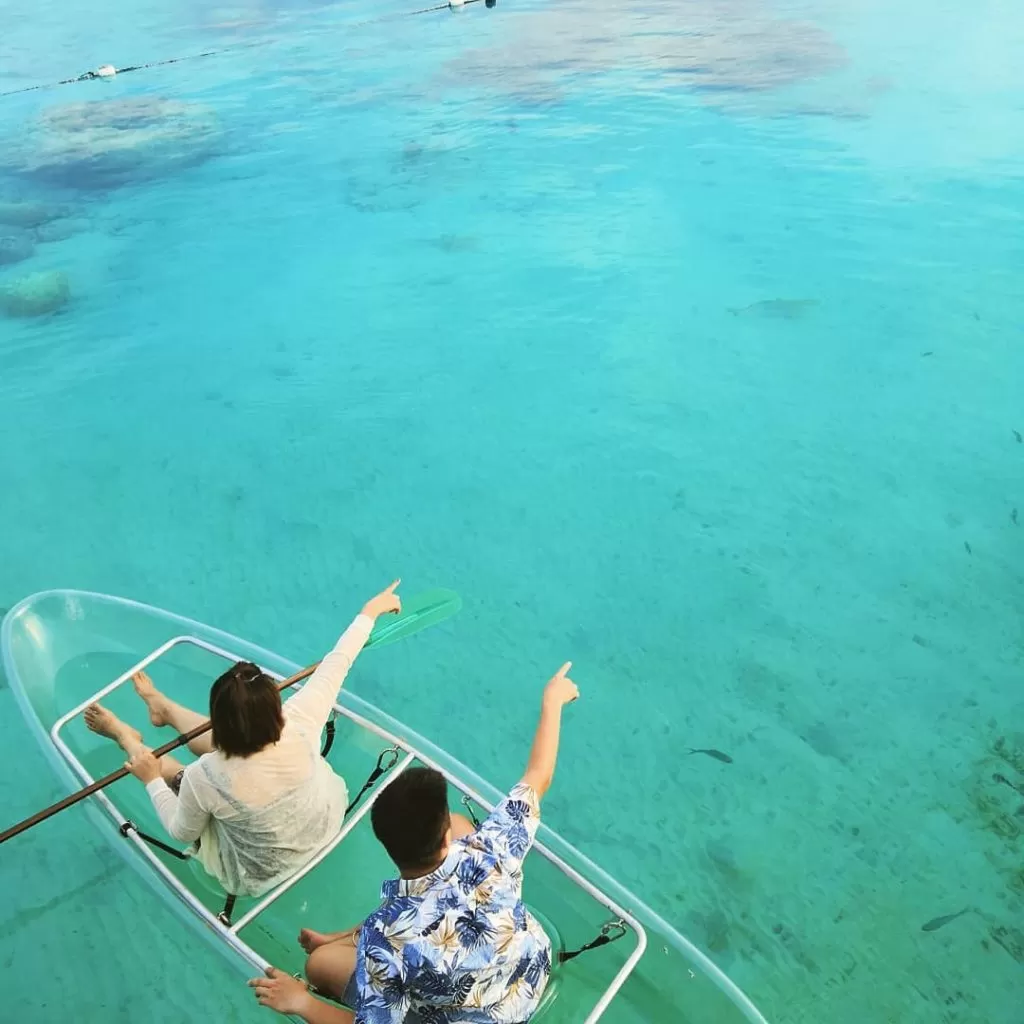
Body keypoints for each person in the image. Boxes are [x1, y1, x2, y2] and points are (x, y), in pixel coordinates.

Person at [248, 661, 580, 1024]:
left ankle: (337, 949)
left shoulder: (385, 937)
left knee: (319, 965)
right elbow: (538, 774)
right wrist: (552, 702)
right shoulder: (492, 851)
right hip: (532, 971)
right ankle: (344, 938)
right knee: (456, 830)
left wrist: (301, 1002)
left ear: (388, 848)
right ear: (444, 838)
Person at [82, 580, 403, 897]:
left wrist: (151, 781)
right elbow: (338, 661)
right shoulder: (300, 719)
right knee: (228, 762)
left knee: (161, 770)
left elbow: (181, 831)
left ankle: (127, 738)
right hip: (324, 823)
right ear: (277, 711)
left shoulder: (205, 776)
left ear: (219, 724)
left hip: (257, 872)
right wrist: (369, 612)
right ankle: (163, 709)